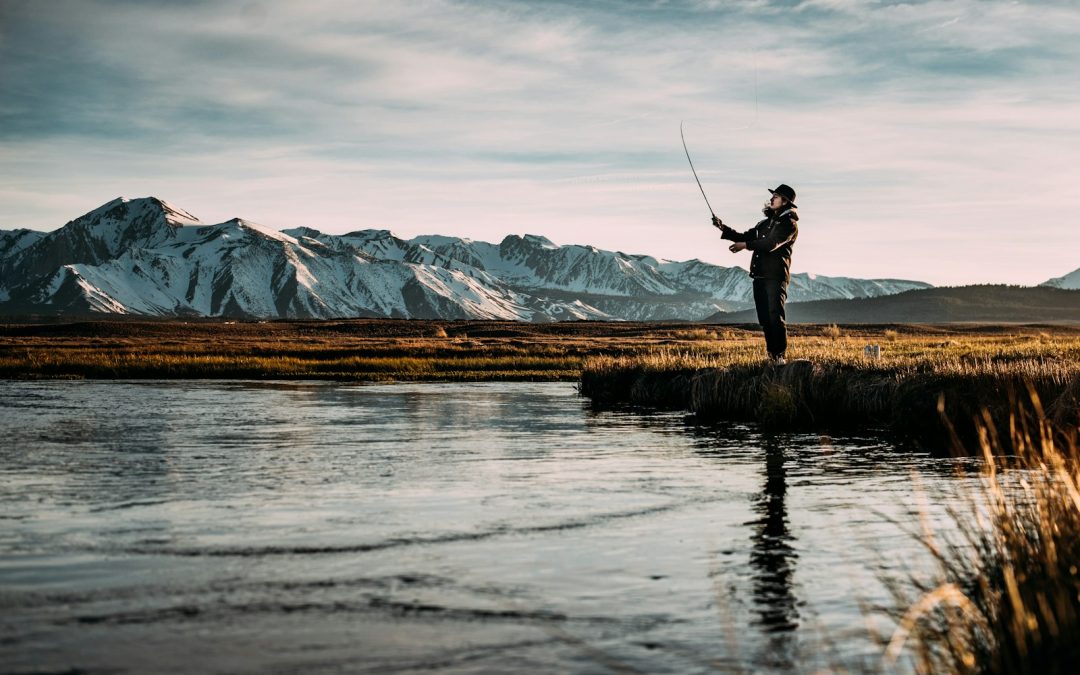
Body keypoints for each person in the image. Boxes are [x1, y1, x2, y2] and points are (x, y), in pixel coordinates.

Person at [712, 184, 799, 365]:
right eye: (773, 196)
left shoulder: (789, 224)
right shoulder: (764, 223)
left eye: (776, 196)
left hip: (776, 277)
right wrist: (723, 228)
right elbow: (746, 236)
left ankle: (780, 356)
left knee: (775, 316)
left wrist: (744, 246)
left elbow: (770, 244)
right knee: (765, 318)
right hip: (759, 276)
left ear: (785, 201)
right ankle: (772, 357)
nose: (772, 199)